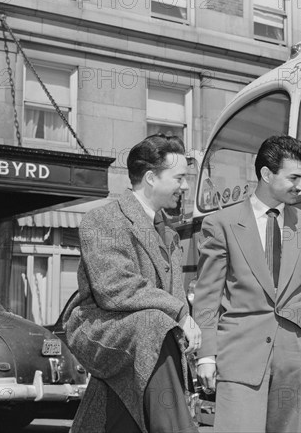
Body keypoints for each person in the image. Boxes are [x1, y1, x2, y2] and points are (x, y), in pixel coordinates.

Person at [193, 135, 301, 433]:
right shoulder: (220, 224)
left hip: (296, 360)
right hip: (240, 357)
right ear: (266, 174)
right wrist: (206, 355)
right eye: (294, 177)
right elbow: (207, 297)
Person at [63, 133, 201, 433]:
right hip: (102, 329)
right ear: (151, 177)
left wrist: (183, 327)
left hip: (147, 339)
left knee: (120, 411)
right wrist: (180, 313)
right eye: (179, 178)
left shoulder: (171, 234)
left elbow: (171, 301)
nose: (186, 186)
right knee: (153, 323)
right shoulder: (102, 219)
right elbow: (115, 288)